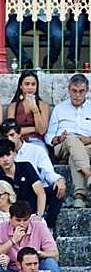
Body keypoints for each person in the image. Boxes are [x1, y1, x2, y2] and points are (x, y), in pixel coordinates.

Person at [46, 73, 91, 208]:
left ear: (87, 91)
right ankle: (89, 174)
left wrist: (89, 139)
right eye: (74, 91)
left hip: (87, 146)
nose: (77, 95)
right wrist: (60, 138)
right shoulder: (59, 109)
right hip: (63, 145)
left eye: (81, 91)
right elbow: (48, 137)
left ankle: (79, 197)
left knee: (75, 156)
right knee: (72, 139)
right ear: (69, 89)